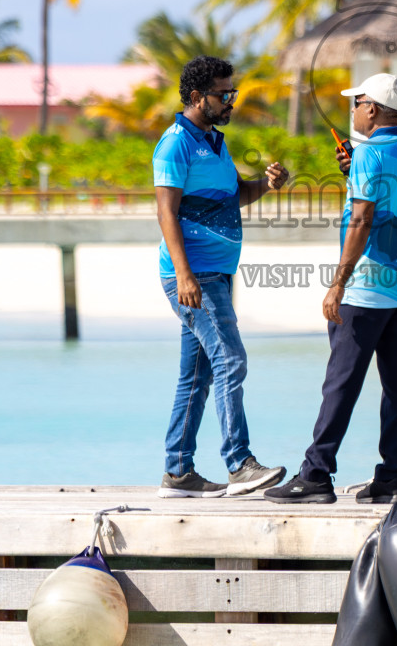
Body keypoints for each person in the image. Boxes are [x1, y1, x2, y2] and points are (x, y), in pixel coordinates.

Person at [265, 74, 397, 505]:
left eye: (358, 102)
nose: (354, 110)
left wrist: (336, 285)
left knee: (340, 383)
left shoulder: (369, 156)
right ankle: (391, 476)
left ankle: (316, 475)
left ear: (374, 109)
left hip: (365, 289)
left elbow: (361, 221)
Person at [155, 55, 290, 498]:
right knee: (231, 360)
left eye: (233, 93)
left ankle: (178, 473)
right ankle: (239, 463)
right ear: (197, 97)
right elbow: (166, 211)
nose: (231, 100)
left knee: (196, 376)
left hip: (216, 275)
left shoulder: (215, 141)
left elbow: (235, 196)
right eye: (223, 94)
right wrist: (184, 274)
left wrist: (266, 185)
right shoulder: (175, 143)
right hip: (194, 277)